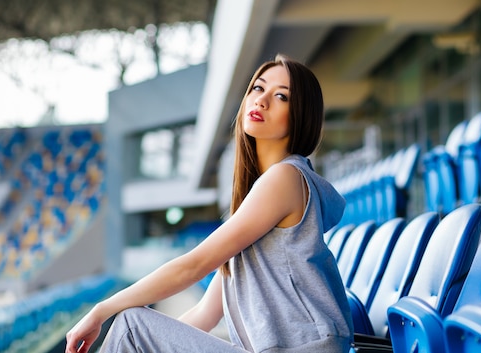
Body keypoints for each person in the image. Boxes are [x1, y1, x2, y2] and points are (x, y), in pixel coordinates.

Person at [65, 54, 353, 353]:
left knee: (131, 326)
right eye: (258, 88)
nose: (262, 100)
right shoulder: (261, 197)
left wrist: (102, 309)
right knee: (136, 333)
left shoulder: (285, 178)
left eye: (281, 96)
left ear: (301, 116)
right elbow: (205, 313)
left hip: (306, 349)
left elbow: (193, 266)